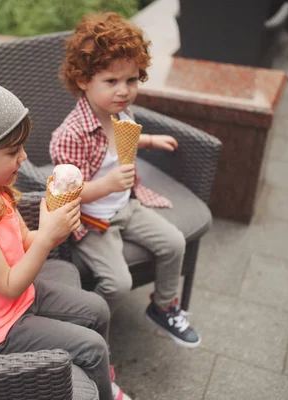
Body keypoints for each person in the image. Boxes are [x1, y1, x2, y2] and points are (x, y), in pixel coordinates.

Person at [0, 70, 132, 400]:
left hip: (20, 298)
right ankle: (104, 389)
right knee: (90, 347)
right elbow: (8, 284)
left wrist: (52, 227)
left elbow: (25, 242)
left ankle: (101, 372)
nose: (25, 157)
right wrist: (48, 237)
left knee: (98, 309)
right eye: (13, 151)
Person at [50, 12, 201, 348]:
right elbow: (64, 196)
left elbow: (120, 142)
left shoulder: (121, 113)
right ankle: (88, 332)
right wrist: (106, 186)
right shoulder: (70, 135)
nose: (124, 91)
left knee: (175, 242)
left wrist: (148, 141)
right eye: (112, 81)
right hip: (92, 222)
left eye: (131, 80)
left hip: (126, 206)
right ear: (83, 80)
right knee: (117, 283)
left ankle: (163, 306)